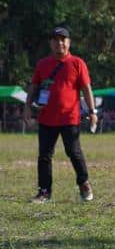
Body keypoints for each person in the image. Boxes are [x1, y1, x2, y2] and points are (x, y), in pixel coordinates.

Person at [23, 27, 98, 203]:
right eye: (55, 40)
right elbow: (33, 87)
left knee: (74, 152)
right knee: (44, 156)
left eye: (63, 39)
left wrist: (93, 111)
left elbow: (87, 89)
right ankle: (44, 192)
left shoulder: (78, 63)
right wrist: (27, 107)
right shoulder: (42, 64)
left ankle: (84, 183)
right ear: (50, 43)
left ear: (69, 42)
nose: (60, 43)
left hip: (69, 118)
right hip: (47, 118)